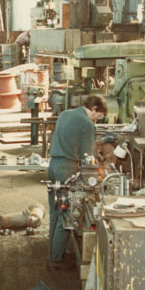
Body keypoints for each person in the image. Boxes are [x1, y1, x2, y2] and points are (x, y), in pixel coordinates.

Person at [47, 94, 107, 265]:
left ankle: (52, 253)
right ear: (94, 109)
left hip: (52, 166)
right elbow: (86, 156)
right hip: (67, 170)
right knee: (67, 217)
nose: (97, 120)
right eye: (99, 116)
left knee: (54, 212)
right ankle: (55, 260)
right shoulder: (87, 124)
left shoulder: (65, 114)